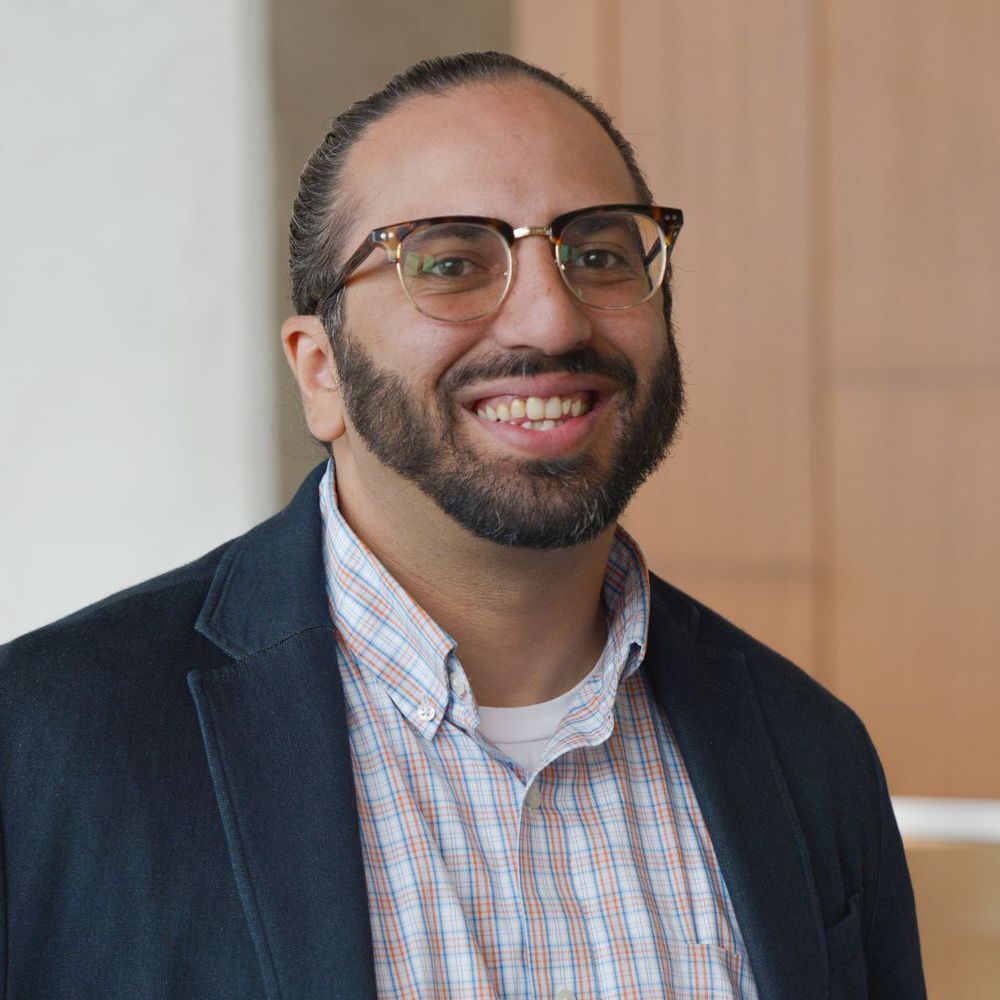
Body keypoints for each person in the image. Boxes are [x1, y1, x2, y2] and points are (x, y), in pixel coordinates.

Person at [0, 51, 925, 1000]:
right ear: (320, 370)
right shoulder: (42, 745)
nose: (552, 319)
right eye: (448, 261)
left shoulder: (808, 752)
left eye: (599, 253)